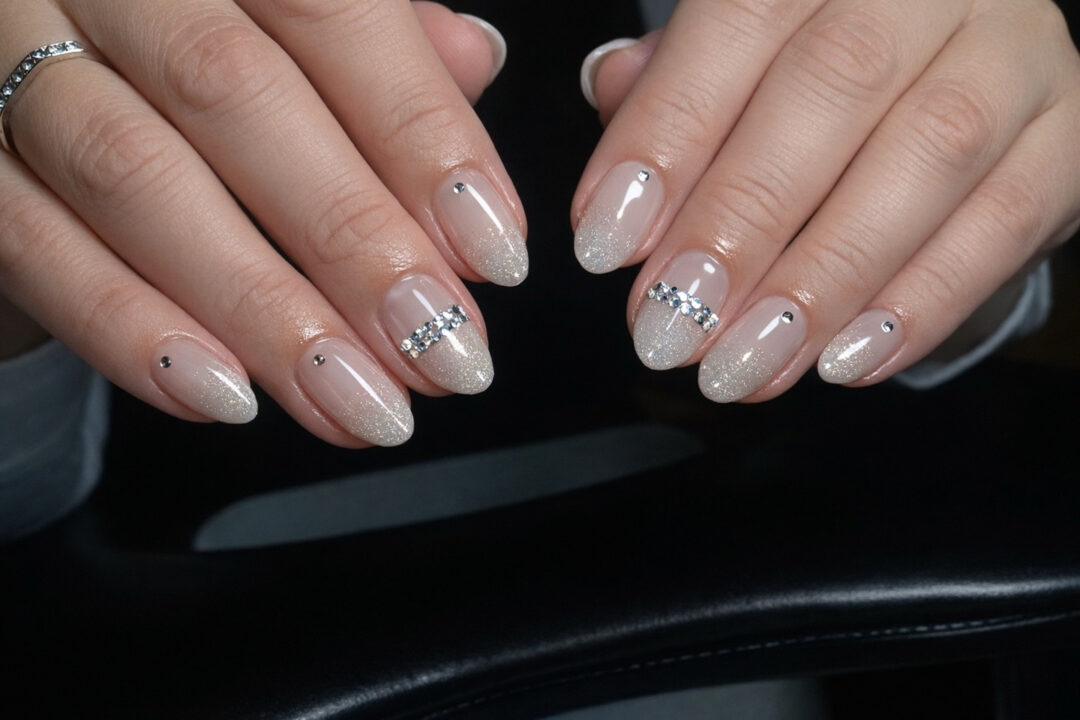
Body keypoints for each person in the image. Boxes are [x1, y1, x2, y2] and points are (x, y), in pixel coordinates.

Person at [0, 0, 1077, 540]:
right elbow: (30, 505)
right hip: (212, 597)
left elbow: (955, 376)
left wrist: (962, 182)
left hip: (720, 565)